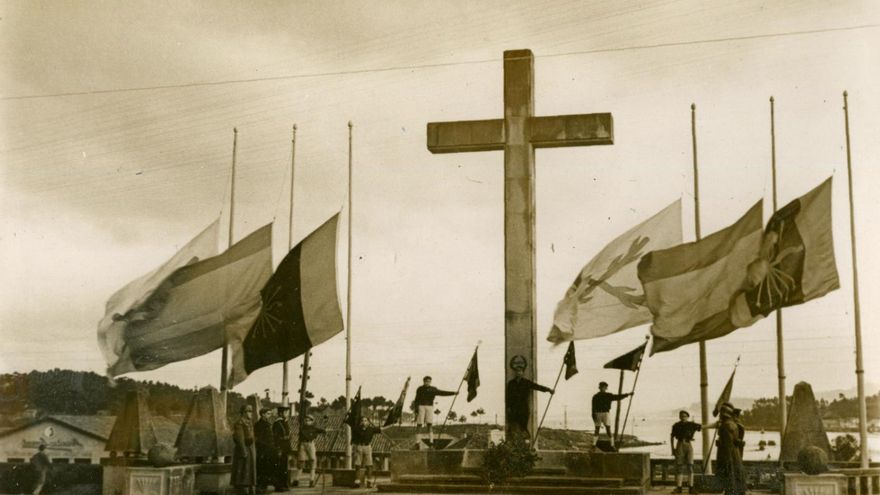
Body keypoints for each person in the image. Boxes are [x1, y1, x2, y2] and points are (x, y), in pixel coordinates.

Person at [505, 356, 554, 440]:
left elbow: (537, 386)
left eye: (520, 371)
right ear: (515, 373)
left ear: (522, 373)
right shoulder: (511, 383)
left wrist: (548, 390)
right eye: (517, 371)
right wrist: (508, 408)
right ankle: (513, 444)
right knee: (512, 428)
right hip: (513, 410)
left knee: (523, 427)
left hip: (523, 409)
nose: (518, 373)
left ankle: (526, 442)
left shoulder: (526, 383)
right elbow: (508, 397)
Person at [412, 376, 456, 444]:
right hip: (421, 406)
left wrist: (453, 393)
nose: (428, 383)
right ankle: (417, 442)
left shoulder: (433, 389)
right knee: (419, 424)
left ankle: (431, 442)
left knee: (429, 424)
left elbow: (442, 393)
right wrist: (416, 409)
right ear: (424, 381)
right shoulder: (420, 389)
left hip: (430, 407)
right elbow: (416, 399)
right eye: (426, 381)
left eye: (429, 381)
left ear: (430, 382)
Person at [715, 402, 747, 495]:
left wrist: (719, 443)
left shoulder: (726, 425)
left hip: (728, 454)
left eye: (721, 413)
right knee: (736, 473)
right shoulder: (734, 424)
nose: (719, 416)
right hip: (735, 453)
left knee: (730, 474)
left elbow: (727, 444)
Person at [670, 410, 702, 494]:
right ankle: (679, 488)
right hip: (680, 445)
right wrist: (672, 449)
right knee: (680, 467)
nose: (683, 418)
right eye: (681, 416)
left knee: (690, 466)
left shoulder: (691, 424)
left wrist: (715, 425)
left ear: (688, 417)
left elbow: (702, 427)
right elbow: (672, 437)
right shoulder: (676, 425)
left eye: (685, 416)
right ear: (679, 417)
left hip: (688, 445)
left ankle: (691, 488)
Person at [591, 381, 631, 446]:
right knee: (597, 429)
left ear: (606, 388)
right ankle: (594, 444)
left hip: (606, 413)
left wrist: (627, 395)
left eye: (604, 387)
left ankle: (612, 444)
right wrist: (593, 415)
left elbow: (618, 397)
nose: (603, 388)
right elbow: (593, 407)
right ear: (599, 387)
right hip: (597, 413)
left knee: (608, 429)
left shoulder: (608, 395)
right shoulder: (595, 396)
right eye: (602, 387)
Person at [351, 416, 385, 488]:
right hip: (359, 446)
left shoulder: (371, 429)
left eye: (365, 420)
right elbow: (353, 438)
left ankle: (369, 482)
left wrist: (391, 424)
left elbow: (382, 429)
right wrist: (354, 447)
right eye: (362, 421)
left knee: (369, 465)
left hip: (368, 447)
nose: (364, 422)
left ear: (368, 422)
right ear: (360, 422)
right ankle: (357, 482)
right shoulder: (357, 429)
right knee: (357, 465)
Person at [294, 414, 326, 488]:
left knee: (312, 460)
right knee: (301, 461)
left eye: (309, 420)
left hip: (310, 444)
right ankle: (296, 480)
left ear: (312, 421)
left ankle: (311, 480)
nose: (307, 422)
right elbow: (303, 436)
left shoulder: (314, 428)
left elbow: (320, 430)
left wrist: (323, 431)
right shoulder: (302, 428)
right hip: (303, 444)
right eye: (306, 420)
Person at [232, 404, 257, 495]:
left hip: (250, 449)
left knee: (250, 470)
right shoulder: (240, 423)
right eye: (249, 411)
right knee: (243, 470)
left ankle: (250, 488)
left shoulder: (249, 423)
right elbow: (240, 438)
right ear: (243, 413)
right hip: (244, 449)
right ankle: (243, 490)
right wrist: (243, 451)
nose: (251, 413)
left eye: (251, 411)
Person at [253, 408, 274, 493]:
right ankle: (260, 487)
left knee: (266, 468)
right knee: (261, 468)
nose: (270, 415)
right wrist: (267, 445)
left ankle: (264, 487)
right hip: (262, 450)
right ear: (262, 414)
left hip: (268, 449)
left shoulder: (267, 424)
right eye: (268, 414)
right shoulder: (259, 425)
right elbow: (259, 438)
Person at [272, 406, 292, 491]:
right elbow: (275, 437)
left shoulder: (284, 422)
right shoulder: (277, 423)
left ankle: (284, 484)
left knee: (284, 467)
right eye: (285, 412)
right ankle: (279, 486)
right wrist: (278, 448)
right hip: (280, 448)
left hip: (285, 448)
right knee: (279, 467)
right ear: (280, 413)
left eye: (287, 412)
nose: (287, 414)